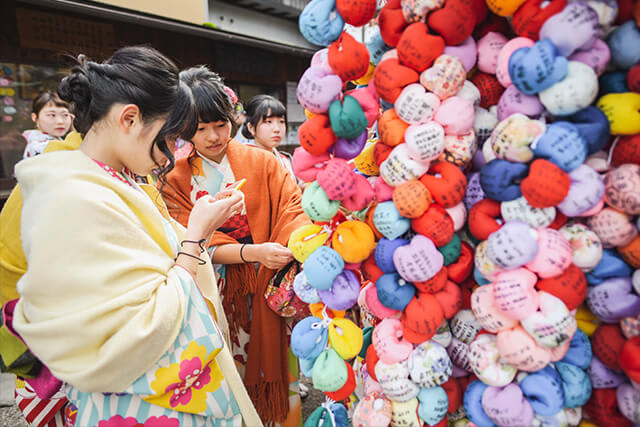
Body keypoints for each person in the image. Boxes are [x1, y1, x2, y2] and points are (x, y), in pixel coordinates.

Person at [6, 46, 261, 426]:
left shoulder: (108, 178)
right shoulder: (73, 195)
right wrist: (195, 237)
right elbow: (139, 327)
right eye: (168, 139)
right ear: (129, 118)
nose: (169, 157)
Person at [160, 66, 310, 426]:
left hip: (267, 280)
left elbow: (293, 206)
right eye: (200, 129)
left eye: (221, 125)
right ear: (182, 129)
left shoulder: (263, 160)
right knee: (227, 372)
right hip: (216, 288)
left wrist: (284, 242)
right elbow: (189, 240)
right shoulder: (175, 174)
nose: (213, 136)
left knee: (276, 369)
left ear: (233, 119)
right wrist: (252, 252)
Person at [241, 94, 296, 181]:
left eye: (281, 122)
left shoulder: (286, 160)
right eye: (268, 122)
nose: (277, 129)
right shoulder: (242, 161)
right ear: (251, 128)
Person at [22, 91, 72, 159]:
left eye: (65, 115)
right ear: (35, 117)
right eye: (52, 115)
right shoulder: (40, 146)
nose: (60, 121)